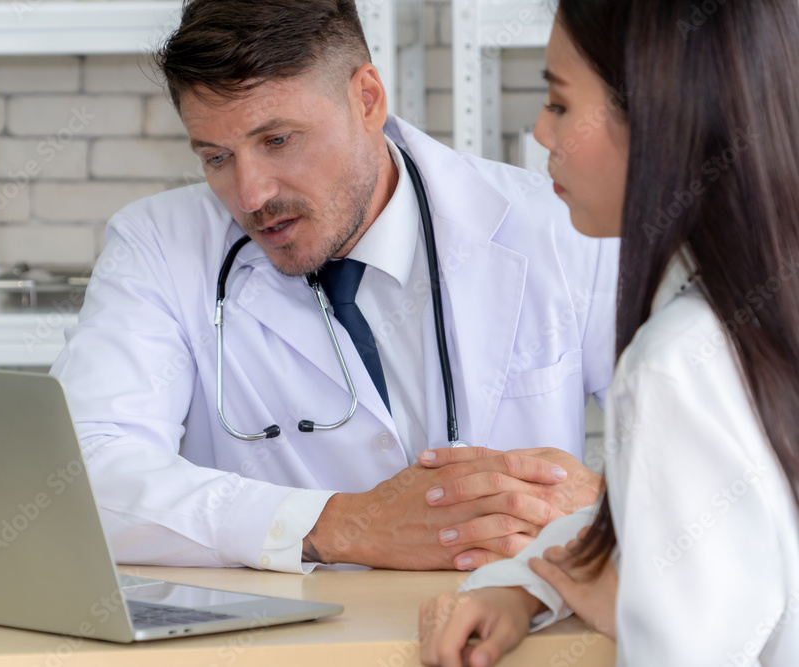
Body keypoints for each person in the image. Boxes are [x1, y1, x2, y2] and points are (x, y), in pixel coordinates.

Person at [49, 0, 618, 574]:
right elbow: (76, 474)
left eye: (277, 141)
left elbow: (693, 447)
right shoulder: (159, 246)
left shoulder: (558, 229)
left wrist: (606, 504)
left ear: (366, 99)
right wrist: (340, 524)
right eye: (217, 157)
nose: (250, 195)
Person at [419, 0, 799, 663]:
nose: (541, 132)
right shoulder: (759, 309)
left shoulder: (675, 366)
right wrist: (531, 583)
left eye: (561, 104)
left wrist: (642, 607)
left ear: (661, 113)